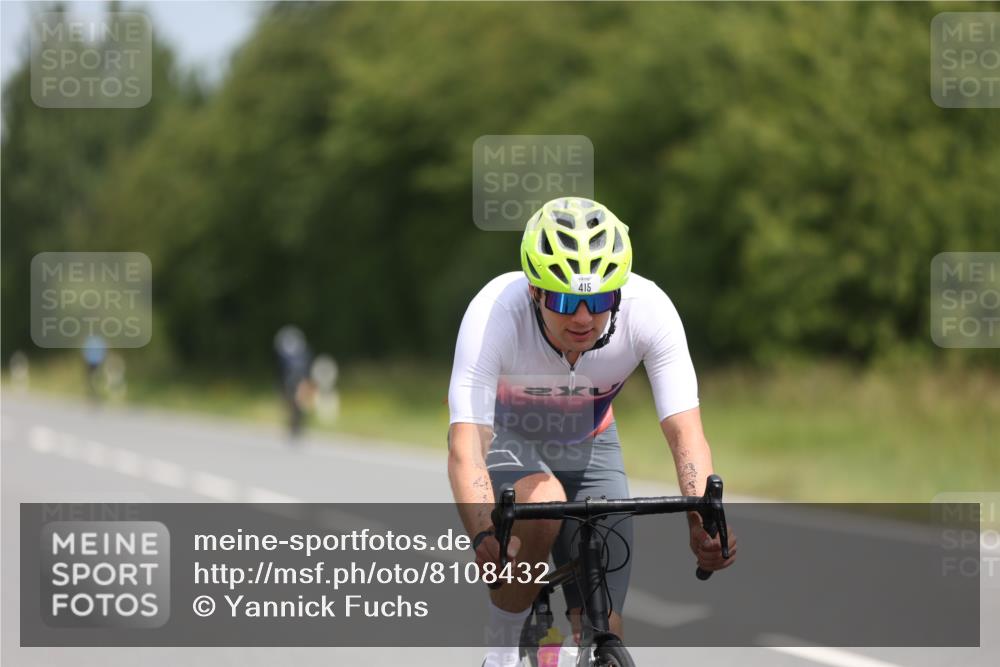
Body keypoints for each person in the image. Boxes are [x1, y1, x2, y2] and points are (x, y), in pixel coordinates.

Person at [447, 197, 737, 667]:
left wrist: (701, 522)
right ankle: (502, 644)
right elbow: (466, 446)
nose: (583, 317)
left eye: (600, 299)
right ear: (535, 291)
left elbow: (686, 434)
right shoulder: (495, 311)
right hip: (507, 438)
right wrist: (485, 536)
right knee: (541, 503)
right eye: (564, 300)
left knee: (603, 630)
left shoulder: (651, 310)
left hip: (591, 440)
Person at [273, 325, 314, 439]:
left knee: (297, 402)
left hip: (296, 378)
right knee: (293, 402)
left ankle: (296, 425)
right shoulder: (299, 352)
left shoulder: (297, 353)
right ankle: (294, 425)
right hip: (292, 378)